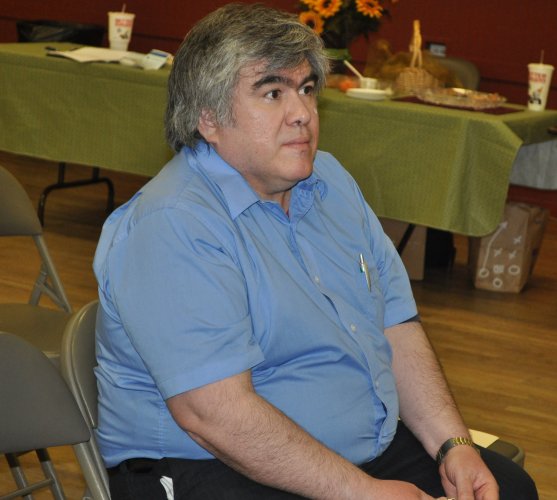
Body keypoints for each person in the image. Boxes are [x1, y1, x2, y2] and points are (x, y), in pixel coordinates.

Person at [93, 4, 538, 499]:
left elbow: (395, 326)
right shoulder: (172, 224)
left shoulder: (330, 180)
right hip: (209, 462)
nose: (302, 113)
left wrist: (452, 445)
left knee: (508, 489)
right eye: (273, 93)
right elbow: (213, 416)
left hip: (347, 448)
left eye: (306, 89)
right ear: (209, 118)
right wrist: (363, 492)